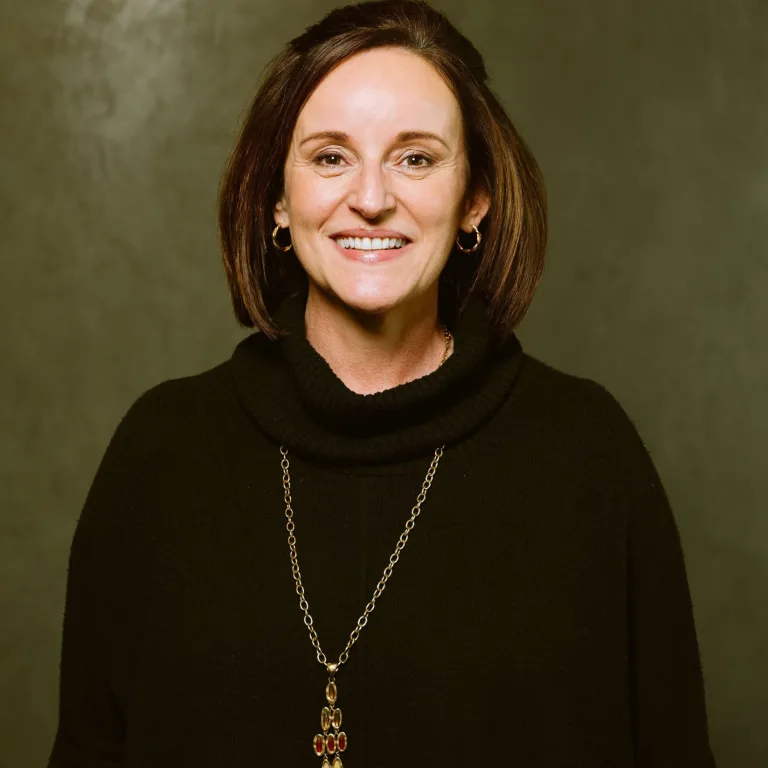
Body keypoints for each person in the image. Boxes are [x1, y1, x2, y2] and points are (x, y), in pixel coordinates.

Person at [47, 1, 716, 765]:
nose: (371, 197)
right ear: (276, 198)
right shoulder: (160, 453)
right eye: (330, 156)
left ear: (475, 200)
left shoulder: (589, 455)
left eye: (416, 158)